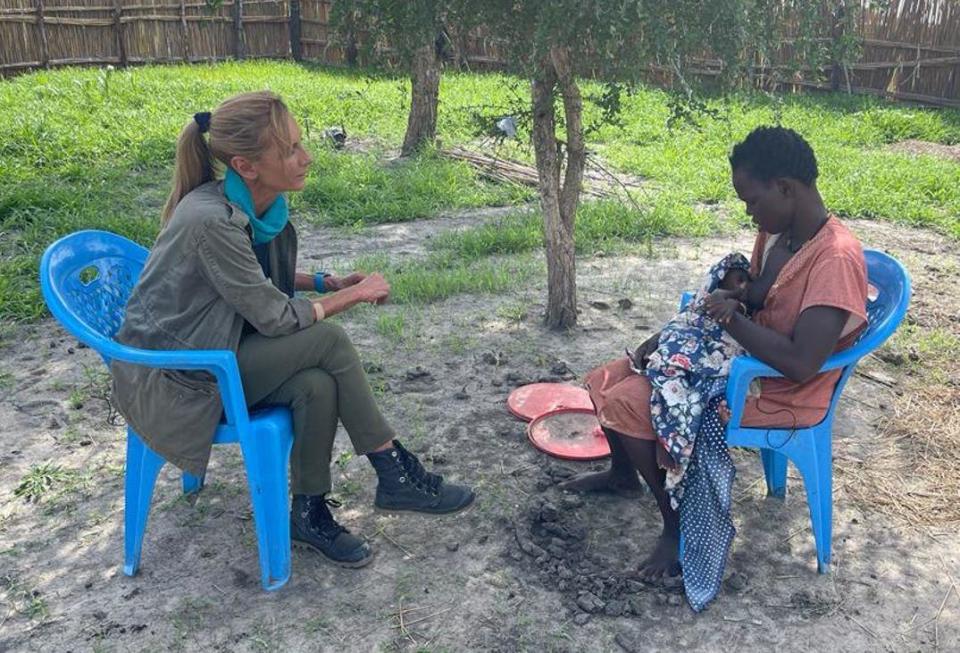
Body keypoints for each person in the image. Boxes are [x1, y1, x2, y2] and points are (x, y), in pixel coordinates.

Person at [111, 91, 475, 570]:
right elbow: (276, 317)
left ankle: (309, 511)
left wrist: (325, 282)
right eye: (289, 151)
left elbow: (248, 281)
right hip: (182, 376)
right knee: (328, 339)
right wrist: (353, 295)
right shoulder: (211, 221)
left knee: (316, 384)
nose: (306, 158)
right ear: (246, 165)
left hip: (218, 346)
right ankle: (394, 470)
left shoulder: (248, 207)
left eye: (300, 144)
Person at [561, 126, 868, 582]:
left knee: (631, 402)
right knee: (609, 376)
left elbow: (802, 365)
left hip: (779, 387)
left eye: (752, 201)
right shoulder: (781, 234)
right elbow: (765, 295)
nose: (749, 214)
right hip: (748, 357)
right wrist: (733, 297)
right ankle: (624, 476)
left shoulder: (834, 260)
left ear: (785, 188)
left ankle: (677, 529)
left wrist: (733, 319)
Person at [631, 253, 751, 510]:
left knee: (626, 402)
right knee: (602, 379)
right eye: (735, 281)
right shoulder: (708, 302)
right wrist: (660, 340)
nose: (741, 287)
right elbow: (689, 321)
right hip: (684, 347)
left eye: (745, 281)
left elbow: (730, 342)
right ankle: (621, 476)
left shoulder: (739, 309)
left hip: (717, 365)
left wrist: (733, 303)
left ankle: (673, 520)